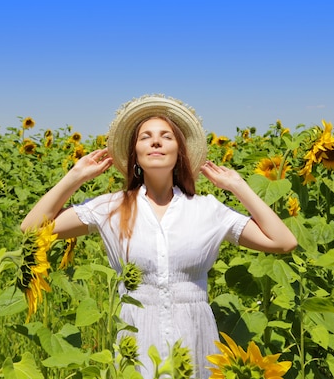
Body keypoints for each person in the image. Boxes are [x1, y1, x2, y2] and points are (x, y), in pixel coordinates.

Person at [21, 94, 298, 378]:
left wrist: (238, 186)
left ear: (180, 151)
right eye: (146, 137)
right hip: (136, 340)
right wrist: (75, 176)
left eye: (166, 136)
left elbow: (283, 241)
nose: (156, 142)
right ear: (135, 153)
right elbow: (30, 229)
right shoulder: (111, 207)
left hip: (195, 341)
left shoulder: (207, 210)